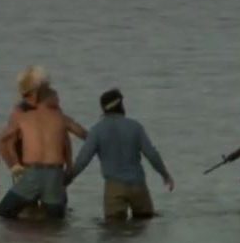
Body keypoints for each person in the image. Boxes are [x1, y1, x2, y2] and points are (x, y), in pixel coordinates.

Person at [65, 88, 175, 221]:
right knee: (144, 226)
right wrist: (165, 175)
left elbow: (83, 159)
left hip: (114, 187)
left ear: (104, 109)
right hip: (138, 186)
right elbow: (151, 154)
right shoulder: (135, 127)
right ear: (121, 106)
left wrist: (68, 178)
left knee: (114, 232)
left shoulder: (97, 131)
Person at [0, 85, 72, 219]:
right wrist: (14, 166)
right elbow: (4, 144)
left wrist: (13, 165)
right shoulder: (27, 120)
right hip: (39, 173)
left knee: (12, 214)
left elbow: (3, 143)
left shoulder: (29, 119)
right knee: (52, 216)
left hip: (38, 173)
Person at [0, 65, 87, 181]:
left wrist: (69, 166)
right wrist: (14, 166)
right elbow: (5, 142)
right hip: (26, 169)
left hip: (43, 169)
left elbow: (65, 138)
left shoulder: (52, 110)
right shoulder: (20, 112)